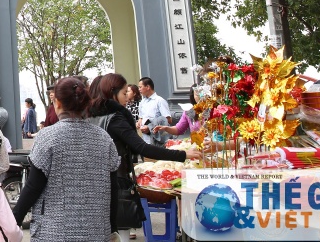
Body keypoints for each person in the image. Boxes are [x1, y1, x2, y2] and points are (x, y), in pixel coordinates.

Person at [89, 73, 199, 241]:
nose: (128, 97)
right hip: (116, 179)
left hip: (96, 180)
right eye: (124, 93)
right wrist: (183, 154)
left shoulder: (93, 116)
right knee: (119, 230)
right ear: (112, 93)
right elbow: (142, 148)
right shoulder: (116, 118)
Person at [12, 77, 120, 241]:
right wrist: (112, 227)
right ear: (85, 103)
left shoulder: (47, 137)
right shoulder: (104, 138)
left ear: (58, 103)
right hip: (97, 231)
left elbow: (33, 186)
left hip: (54, 230)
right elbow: (113, 188)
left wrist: (14, 220)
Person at [136, 77, 171, 145]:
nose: (139, 89)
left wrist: (150, 127)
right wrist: (139, 123)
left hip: (158, 139)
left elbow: (168, 120)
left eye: (140, 87)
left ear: (148, 87)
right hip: (145, 139)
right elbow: (141, 118)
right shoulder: (142, 102)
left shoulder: (159, 101)